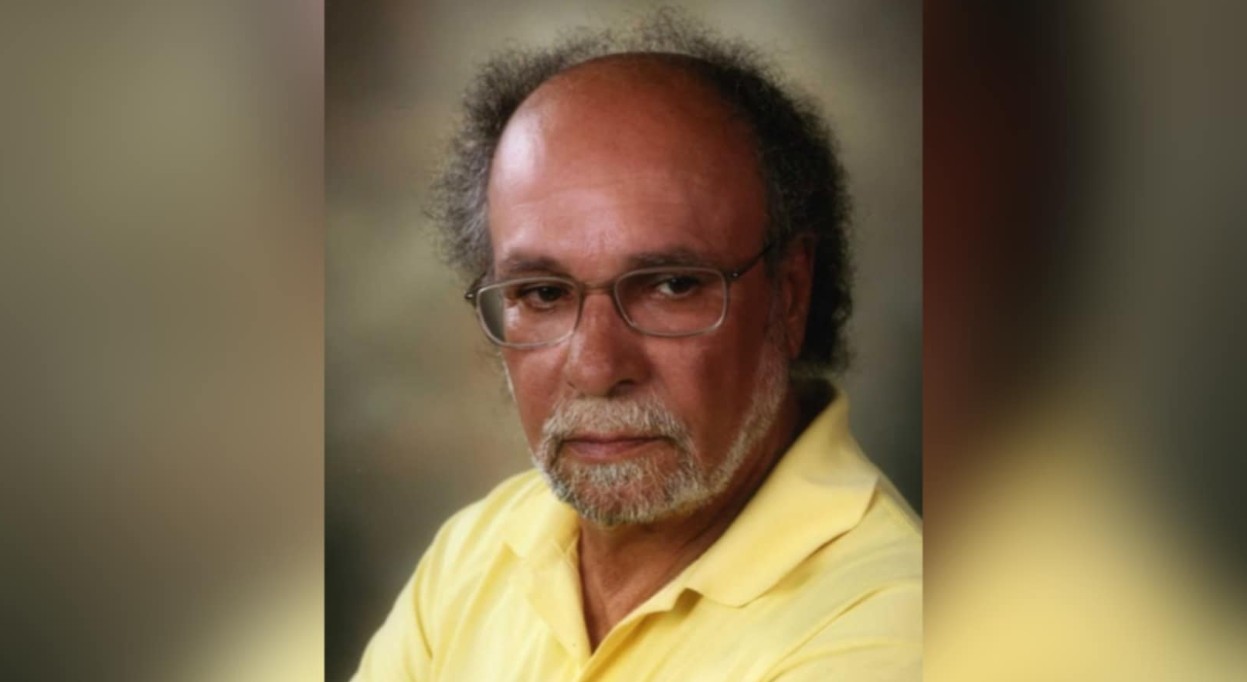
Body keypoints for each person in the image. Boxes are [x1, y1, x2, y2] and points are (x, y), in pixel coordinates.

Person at [352, 15, 921, 681]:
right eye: (543, 293)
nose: (596, 368)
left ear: (789, 295)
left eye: (671, 286)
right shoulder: (471, 555)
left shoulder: (893, 625)